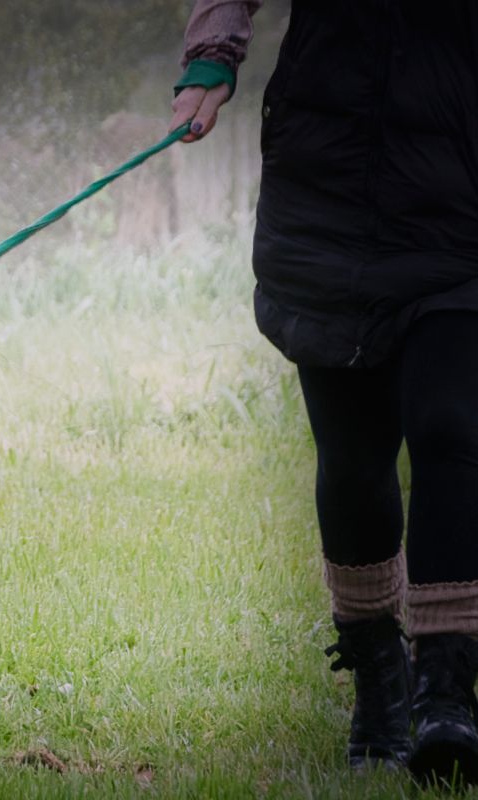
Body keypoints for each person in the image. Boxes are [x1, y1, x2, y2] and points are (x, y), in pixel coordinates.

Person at [170, 0, 478, 785]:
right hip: (326, 174)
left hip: (456, 183)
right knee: (351, 457)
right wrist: (211, 59)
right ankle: (379, 683)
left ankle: (446, 690)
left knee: (449, 427)